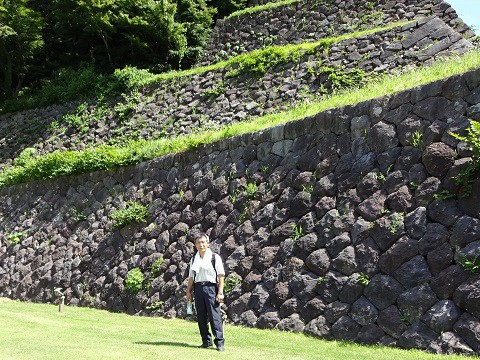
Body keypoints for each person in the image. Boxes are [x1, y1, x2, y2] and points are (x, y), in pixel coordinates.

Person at [186, 233, 226, 351]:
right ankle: (206, 341)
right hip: (198, 288)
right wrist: (188, 291)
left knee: (215, 316)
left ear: (208, 244)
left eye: (203, 242)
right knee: (201, 316)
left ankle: (219, 343)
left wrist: (220, 292)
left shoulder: (214, 257)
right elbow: (191, 277)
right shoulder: (194, 259)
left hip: (211, 288)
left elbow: (221, 276)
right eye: (198, 243)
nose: (201, 245)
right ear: (195, 245)